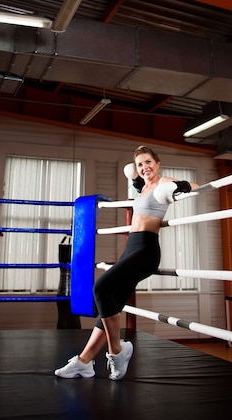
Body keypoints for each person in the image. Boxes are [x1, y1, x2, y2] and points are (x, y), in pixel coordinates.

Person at [54, 145, 198, 381]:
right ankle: (84, 361)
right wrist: (139, 181)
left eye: (148, 162)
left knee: (101, 289)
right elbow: (136, 181)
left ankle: (117, 352)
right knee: (109, 306)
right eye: (140, 164)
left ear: (158, 163)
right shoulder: (142, 187)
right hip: (131, 249)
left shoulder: (164, 183)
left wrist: (180, 187)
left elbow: (194, 187)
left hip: (145, 251)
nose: (144, 167)